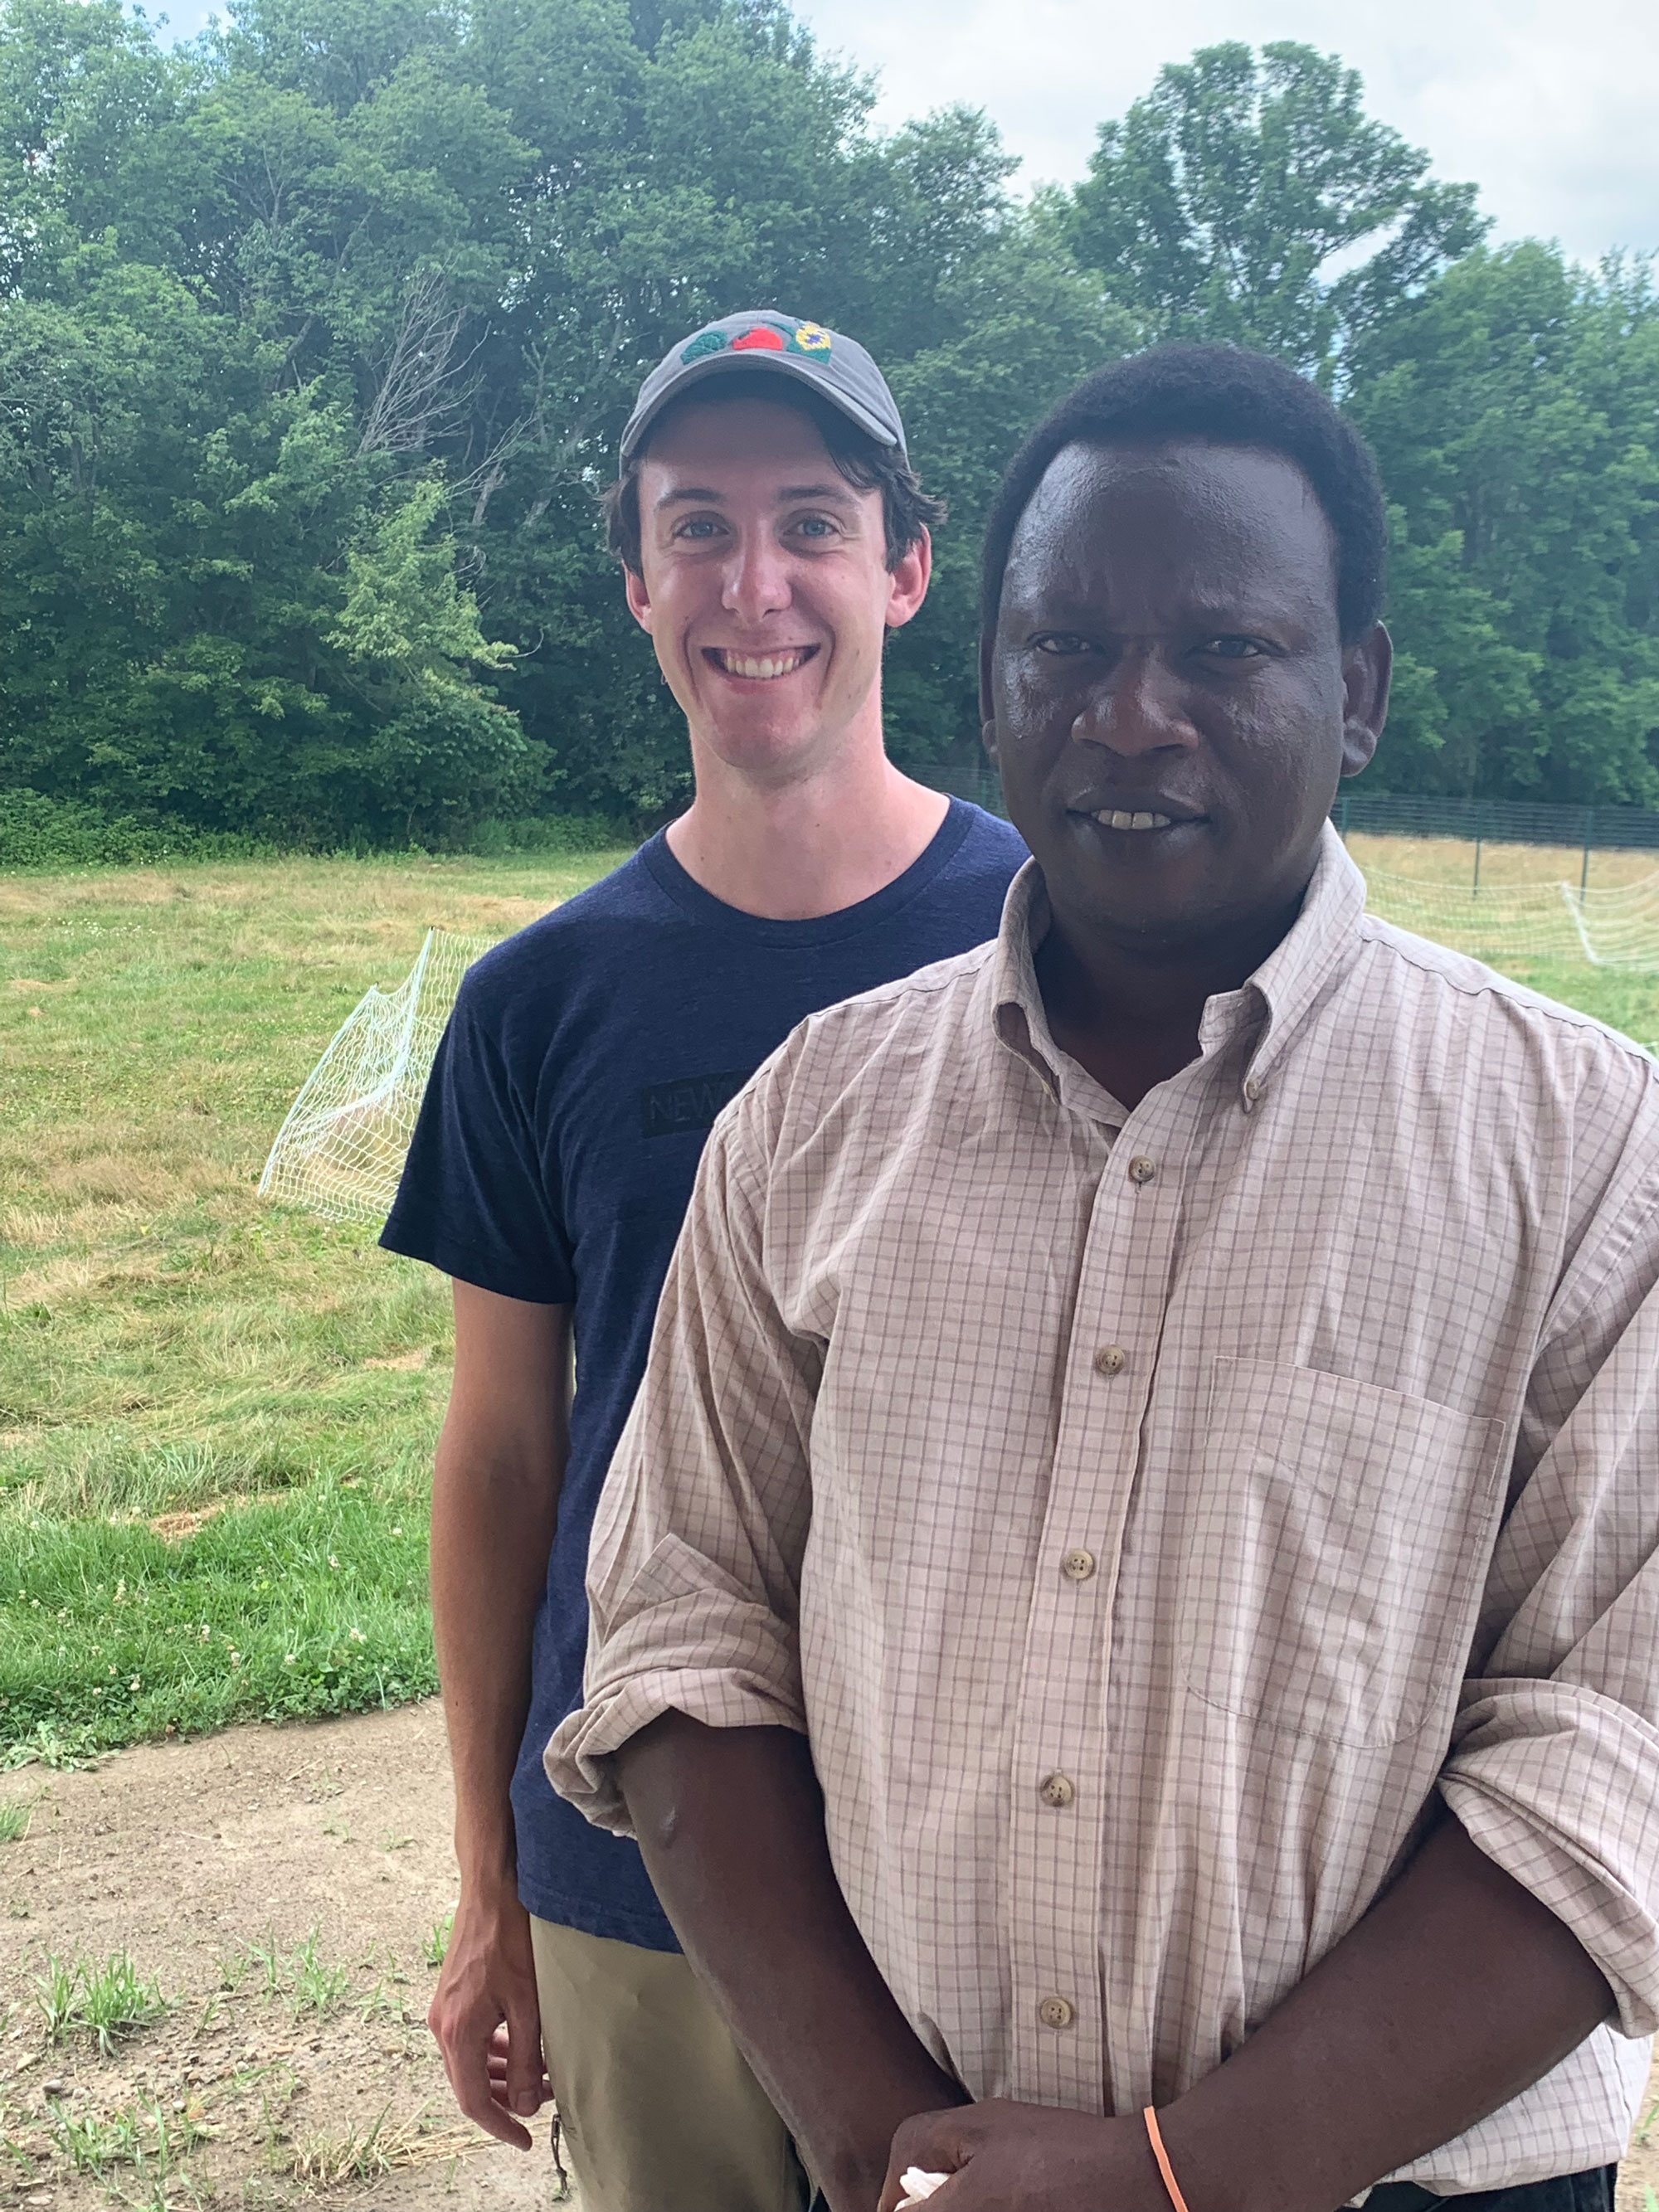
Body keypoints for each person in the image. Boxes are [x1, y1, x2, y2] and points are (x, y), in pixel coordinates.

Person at [548, 343, 1659, 2212]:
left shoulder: (1583, 1148)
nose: (1129, 714)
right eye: (1062, 646)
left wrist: (1184, 2176)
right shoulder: (807, 1120)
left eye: (1223, 648)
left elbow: (1615, 1733)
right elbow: (681, 1627)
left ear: (1358, 688)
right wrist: (877, 2135)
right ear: (989, 678)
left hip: (1422, 2181)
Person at [379, 308, 1027, 2212]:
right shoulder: (537, 1001)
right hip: (637, 1879)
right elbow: (505, 1453)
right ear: (637, 577)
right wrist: (492, 1883)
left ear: (903, 566)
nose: (758, 584)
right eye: (698, 525)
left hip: (978, 1863)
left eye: (811, 521)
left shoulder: (1052, 940)